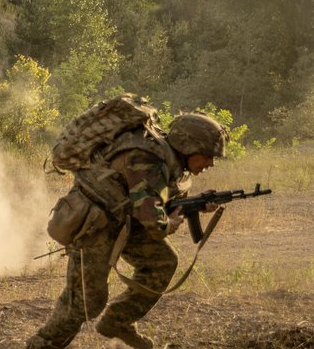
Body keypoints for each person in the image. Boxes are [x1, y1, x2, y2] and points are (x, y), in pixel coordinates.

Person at [26, 113, 228, 349]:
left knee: (162, 262)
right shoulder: (147, 158)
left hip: (123, 222)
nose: (210, 164)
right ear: (188, 146)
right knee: (85, 301)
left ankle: (117, 321)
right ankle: (42, 345)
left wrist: (195, 205)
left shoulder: (169, 159)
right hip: (94, 226)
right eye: (207, 156)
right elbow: (153, 219)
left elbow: (157, 199)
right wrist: (168, 224)